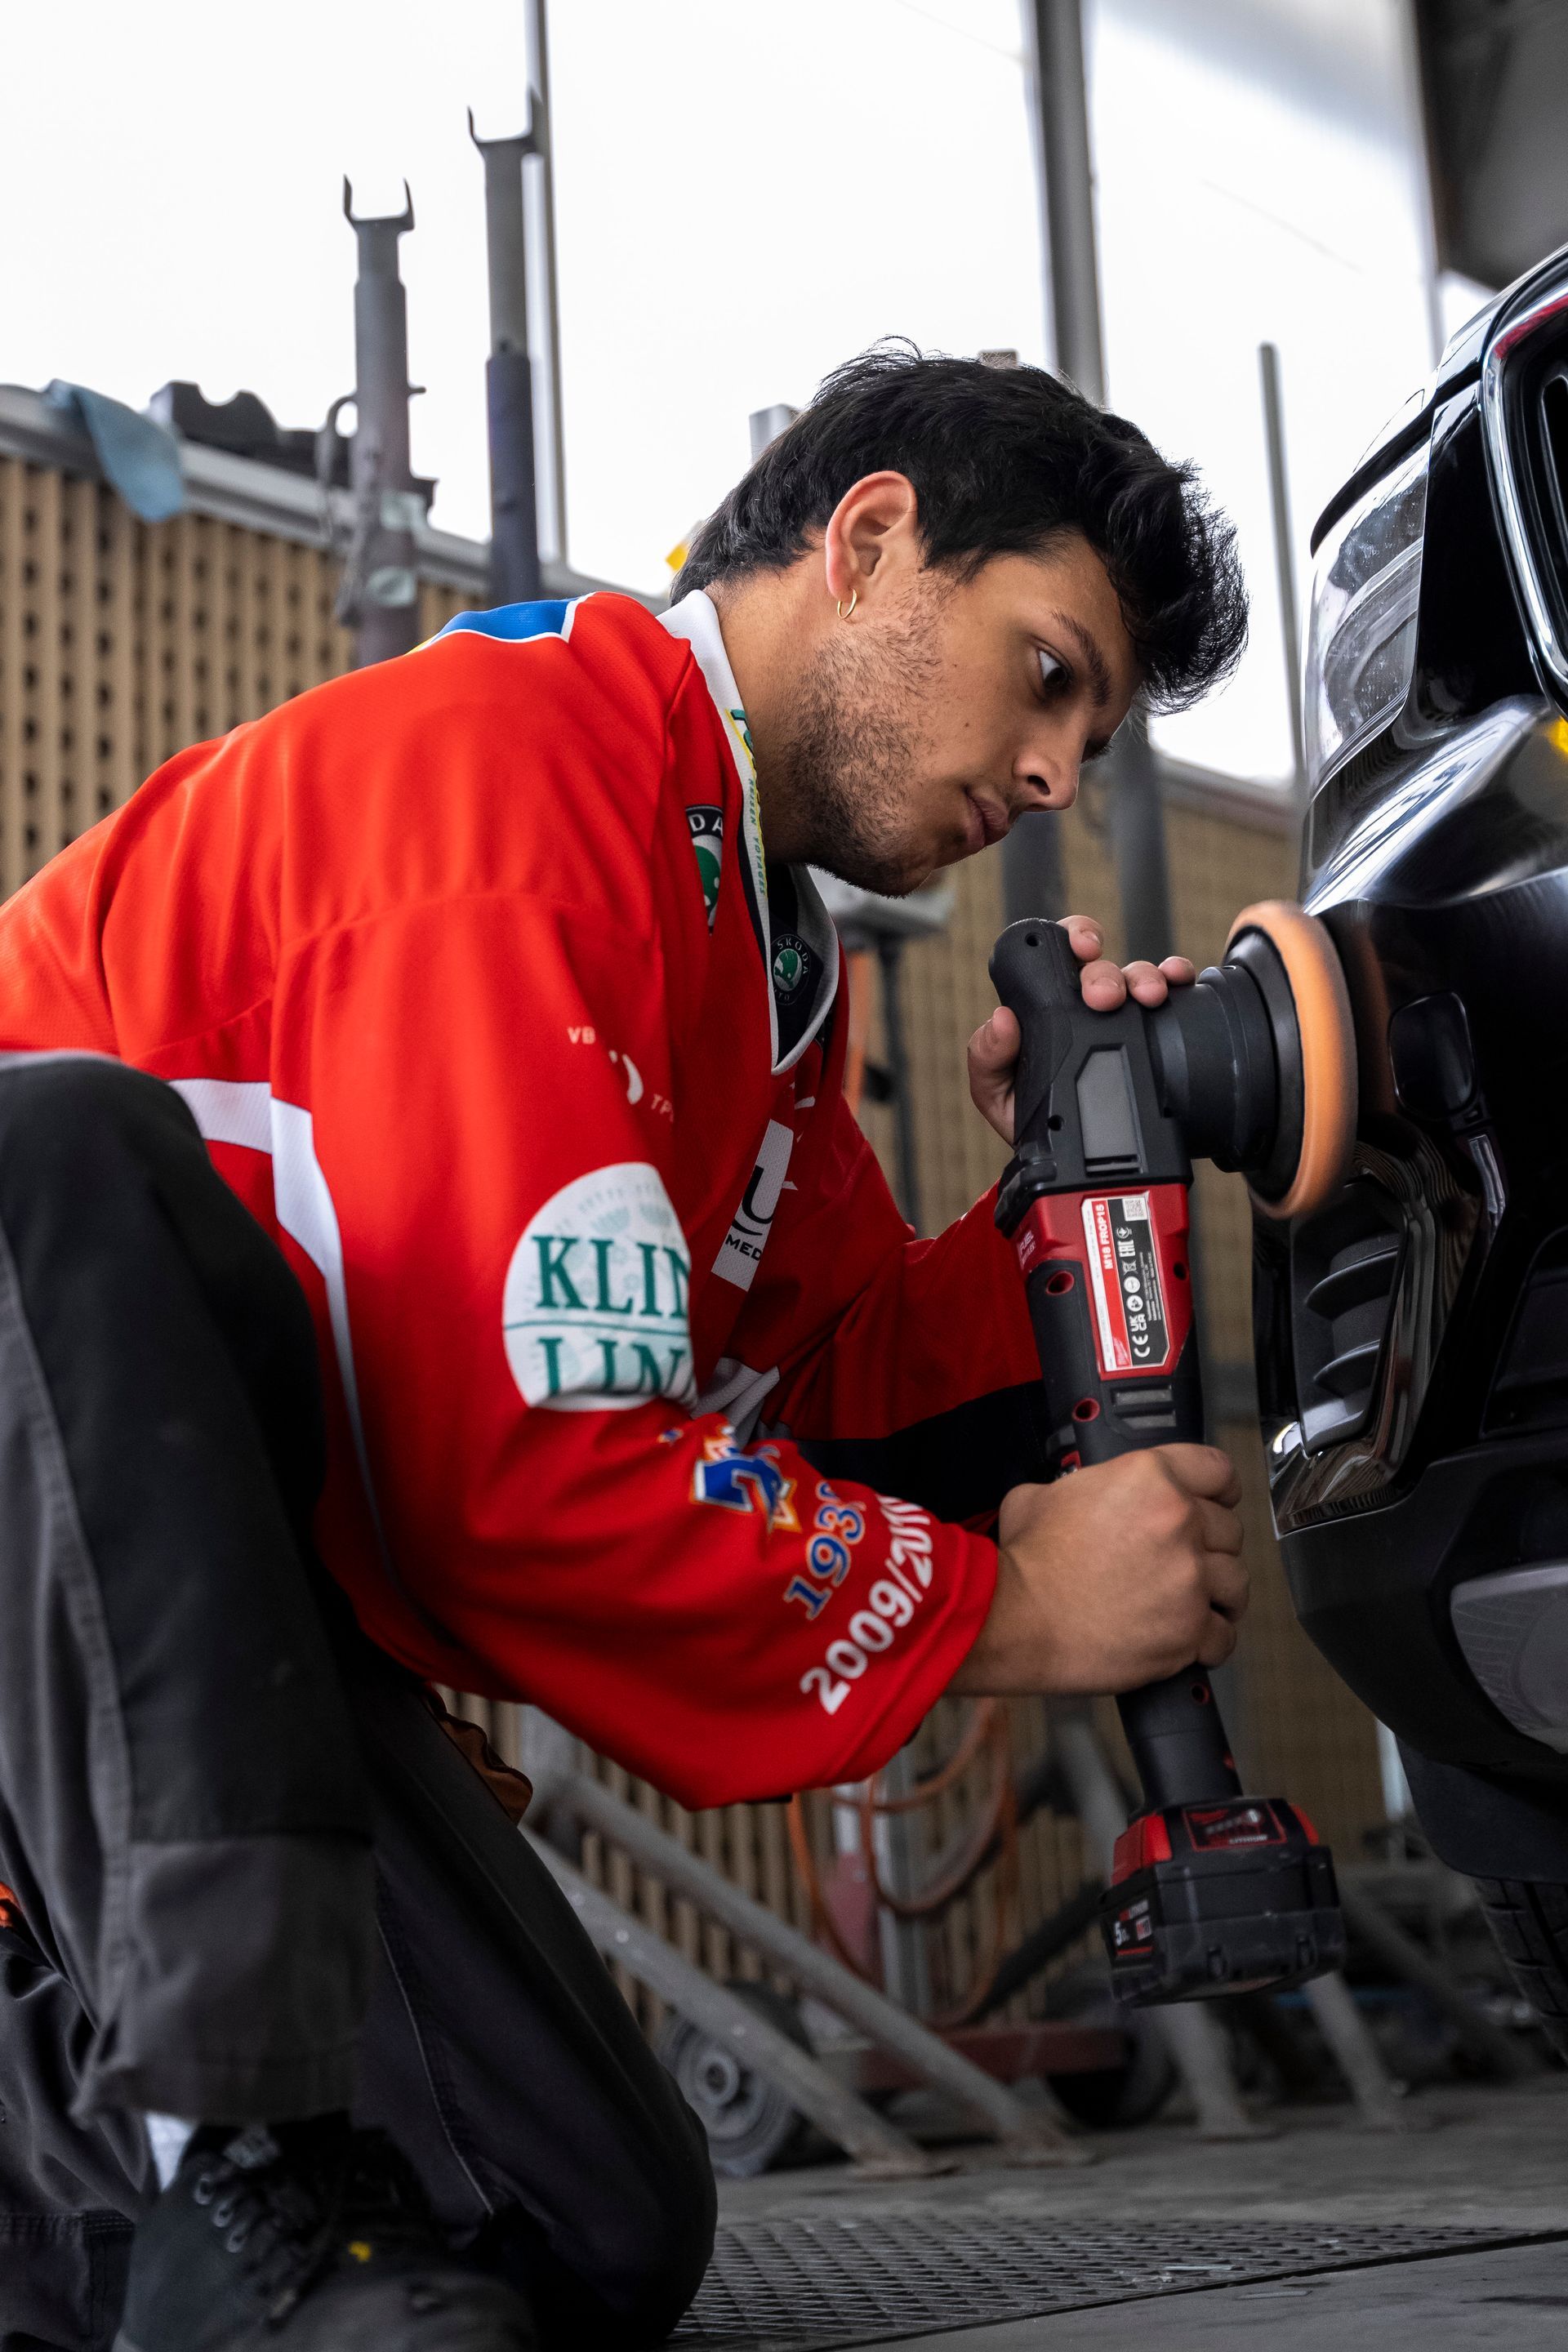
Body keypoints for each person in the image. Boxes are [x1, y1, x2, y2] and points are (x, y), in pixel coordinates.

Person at [0, 347, 1250, 2352]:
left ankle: (145, 2191)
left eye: (1094, 737)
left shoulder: (753, 942)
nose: (1054, 783)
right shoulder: (516, 780)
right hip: (31, 1611)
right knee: (30, 1152)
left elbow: (804, 1389)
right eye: (1047, 675)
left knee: (586, 2216)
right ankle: (205, 2161)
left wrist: (1063, 1204)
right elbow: (528, 1467)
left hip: (207, 1687)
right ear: (870, 543)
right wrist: (1010, 1605)